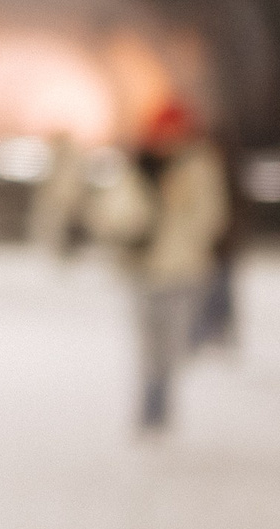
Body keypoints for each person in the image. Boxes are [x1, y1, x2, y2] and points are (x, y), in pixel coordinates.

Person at [86, 101, 227, 434]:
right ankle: (151, 409)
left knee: (173, 344)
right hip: (145, 268)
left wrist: (189, 229)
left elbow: (211, 216)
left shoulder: (199, 166)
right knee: (148, 344)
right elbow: (111, 210)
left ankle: (161, 400)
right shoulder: (139, 167)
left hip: (183, 269)